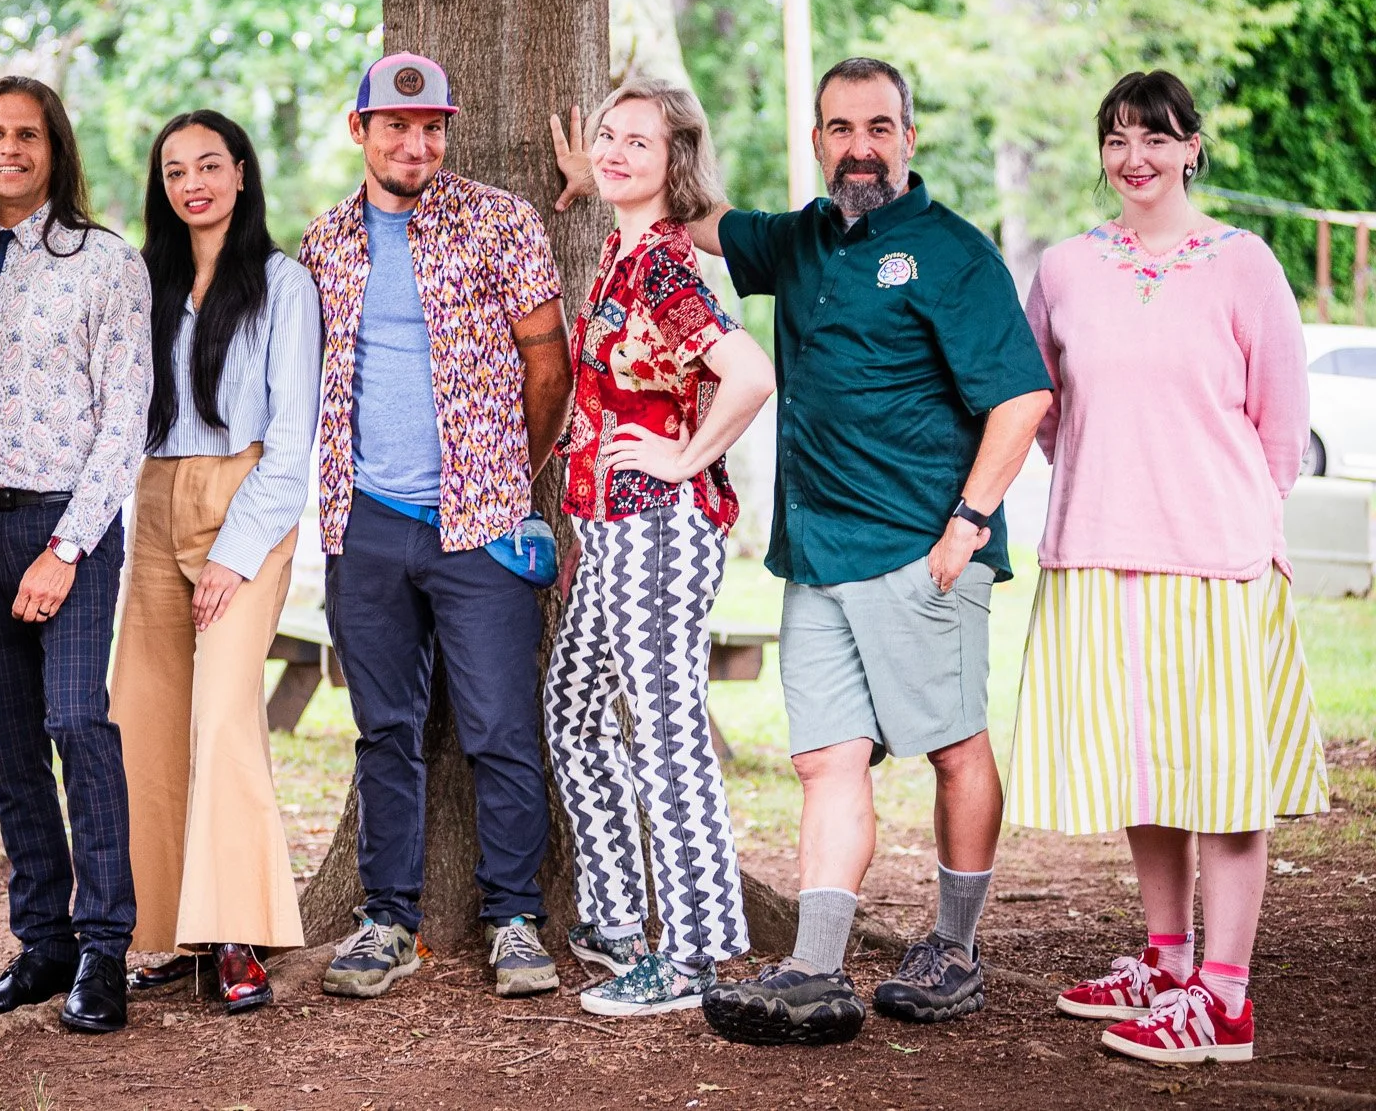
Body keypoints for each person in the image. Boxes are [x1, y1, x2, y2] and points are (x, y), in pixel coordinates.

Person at [554, 57, 1053, 1045]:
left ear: (907, 137)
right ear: (817, 140)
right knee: (826, 761)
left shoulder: (953, 253)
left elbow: (1022, 396)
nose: (857, 146)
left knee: (953, 745)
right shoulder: (800, 241)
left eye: (877, 127)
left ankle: (953, 950)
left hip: (923, 545)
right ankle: (815, 969)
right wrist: (600, 172)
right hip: (813, 551)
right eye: (838, 128)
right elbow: (693, 219)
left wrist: (967, 522)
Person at [1007, 70, 1330, 1065]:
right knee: (1144, 768)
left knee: (1224, 779)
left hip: (1214, 558)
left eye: (1154, 137)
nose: (1133, 158)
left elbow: (1280, 428)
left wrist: (1220, 512)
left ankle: (1222, 1001)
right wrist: (1121, 483)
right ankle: (1164, 958)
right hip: (1098, 545)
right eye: (1115, 138)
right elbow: (1044, 411)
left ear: (1192, 145)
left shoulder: (1242, 264)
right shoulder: (1063, 268)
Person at [299, 52, 572, 1001]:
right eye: (397, 127)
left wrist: (503, 477)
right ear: (360, 131)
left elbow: (550, 369)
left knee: (501, 727)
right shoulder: (324, 241)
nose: (417, 144)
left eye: (432, 127)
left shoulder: (502, 219)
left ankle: (513, 919)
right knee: (386, 730)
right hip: (366, 525)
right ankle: (387, 918)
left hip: (483, 525)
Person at [540, 78, 775, 1018]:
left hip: (660, 526)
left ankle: (698, 954)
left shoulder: (667, 271)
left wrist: (684, 456)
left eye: (641, 142)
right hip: (604, 528)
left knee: (666, 731)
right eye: (608, 136)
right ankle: (615, 918)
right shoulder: (620, 245)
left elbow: (749, 374)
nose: (617, 151)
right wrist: (592, 171)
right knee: (573, 711)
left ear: (676, 164)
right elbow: (610, 178)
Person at [0, 76, 152, 1035]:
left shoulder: (105, 263)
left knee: (74, 723)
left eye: (27, 134)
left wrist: (65, 548)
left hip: (70, 526)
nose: (8, 148)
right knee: (12, 744)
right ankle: (42, 944)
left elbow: (125, 417)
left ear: (55, 149)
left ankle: (105, 947)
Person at [111, 110, 321, 1014]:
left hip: (246, 504)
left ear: (241, 171)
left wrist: (237, 554)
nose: (192, 182)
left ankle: (236, 931)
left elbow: (293, 436)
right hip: (154, 504)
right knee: (142, 715)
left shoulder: (282, 284)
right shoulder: (145, 280)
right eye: (174, 170)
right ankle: (162, 928)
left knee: (225, 716)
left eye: (209, 164)